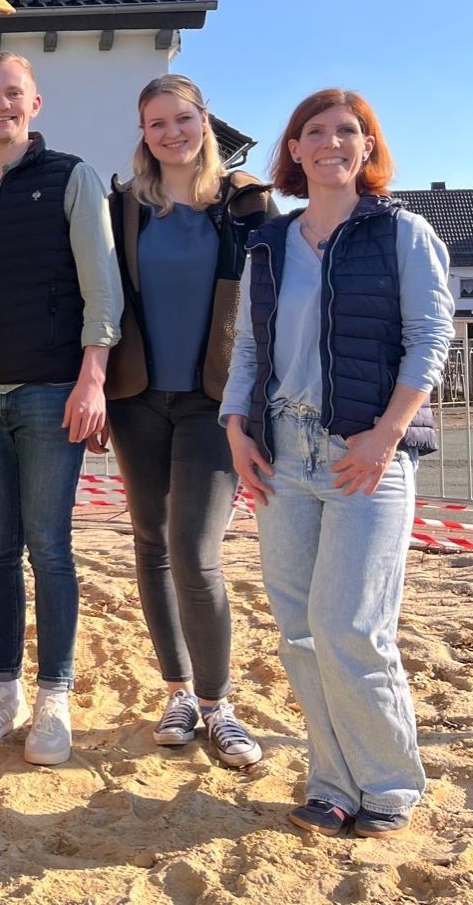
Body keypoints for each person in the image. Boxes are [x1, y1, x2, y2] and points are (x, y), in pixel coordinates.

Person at [221, 88, 454, 838]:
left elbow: (431, 339)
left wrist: (387, 434)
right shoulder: (269, 243)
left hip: (366, 455)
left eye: (347, 131)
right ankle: (332, 782)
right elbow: (249, 347)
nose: (331, 143)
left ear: (367, 146)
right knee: (299, 630)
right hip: (281, 454)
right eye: (314, 131)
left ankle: (389, 783)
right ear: (293, 149)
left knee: (351, 626)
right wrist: (236, 428)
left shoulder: (403, 233)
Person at [0, 51, 121, 767]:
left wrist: (92, 378)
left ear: (34, 104)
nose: (1, 104)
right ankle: (4, 690)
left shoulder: (72, 177)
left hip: (51, 391)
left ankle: (54, 698)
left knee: (50, 547)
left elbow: (101, 285)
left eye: (14, 93)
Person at [97, 74, 277, 769]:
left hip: (215, 402)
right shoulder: (123, 207)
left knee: (196, 552)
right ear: (143, 133)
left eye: (182, 119)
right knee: (151, 544)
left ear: (204, 121)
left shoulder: (246, 204)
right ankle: (177, 693)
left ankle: (218, 703)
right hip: (137, 397)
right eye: (156, 123)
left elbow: (274, 302)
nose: (171, 133)